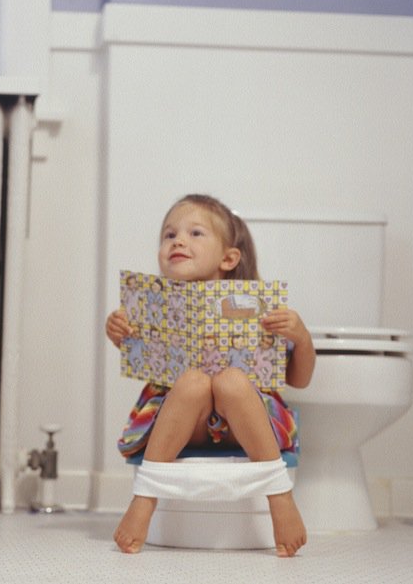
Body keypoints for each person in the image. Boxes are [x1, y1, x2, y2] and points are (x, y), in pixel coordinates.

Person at [104, 194, 315, 558]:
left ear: (228, 258)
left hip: (245, 417)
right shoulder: (150, 305)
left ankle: (279, 495)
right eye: (169, 235)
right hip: (185, 416)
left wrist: (301, 336)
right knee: (194, 382)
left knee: (230, 381)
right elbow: (142, 358)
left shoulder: (259, 308)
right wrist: (119, 333)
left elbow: (300, 380)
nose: (178, 241)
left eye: (195, 233)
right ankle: (145, 498)